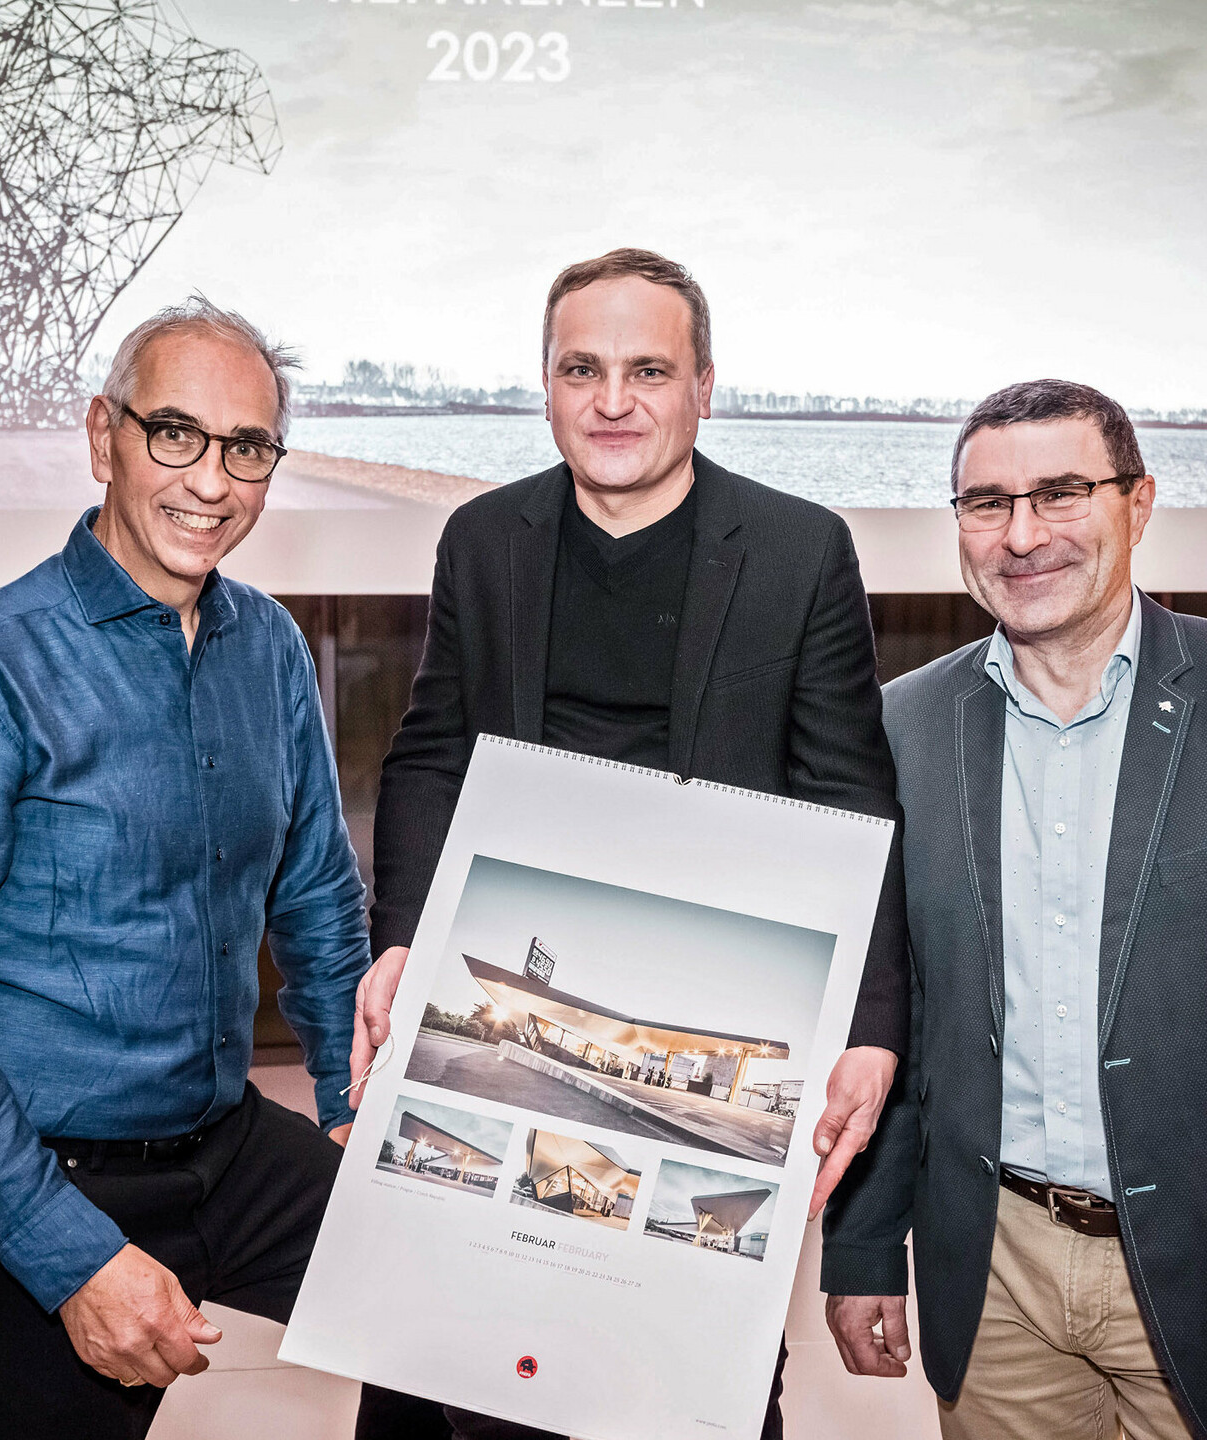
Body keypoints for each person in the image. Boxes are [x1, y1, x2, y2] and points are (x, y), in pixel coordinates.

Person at [348, 248, 910, 1440]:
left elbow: (855, 801)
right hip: (513, 991)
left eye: (648, 369)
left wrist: (868, 1029)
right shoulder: (481, 540)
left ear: (705, 385)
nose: (613, 401)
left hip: (707, 987)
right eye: (582, 369)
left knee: (682, 1386)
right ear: (544, 386)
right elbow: (432, 753)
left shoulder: (801, 550)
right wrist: (399, 941)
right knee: (455, 1363)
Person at [820, 380, 1207, 1440]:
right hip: (995, 1274)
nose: (1021, 536)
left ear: (1138, 505)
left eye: (1061, 494)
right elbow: (896, 1016)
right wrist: (866, 1248)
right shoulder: (902, 729)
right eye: (985, 504)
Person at [0, 298, 370, 1439]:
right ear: (101, 437)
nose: (212, 482)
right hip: (21, 1177)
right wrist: (69, 1258)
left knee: (450, 1297)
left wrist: (348, 1108)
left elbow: (318, 899)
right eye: (174, 433)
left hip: (223, 1145)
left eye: (248, 448)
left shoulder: (266, 645)